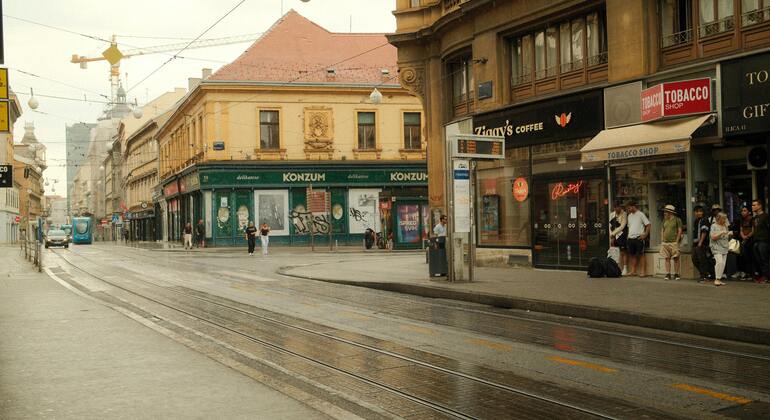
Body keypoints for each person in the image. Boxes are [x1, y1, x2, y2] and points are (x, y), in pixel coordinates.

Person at [625, 201, 650, 277]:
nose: (628, 209)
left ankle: (643, 271)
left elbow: (648, 224)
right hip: (631, 238)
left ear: (633, 206)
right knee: (632, 255)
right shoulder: (629, 216)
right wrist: (628, 236)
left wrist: (645, 234)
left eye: (629, 207)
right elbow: (630, 226)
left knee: (641, 254)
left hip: (638, 237)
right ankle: (633, 271)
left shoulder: (641, 214)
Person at [659, 205, 683, 280]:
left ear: (670, 212)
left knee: (676, 258)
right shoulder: (665, 220)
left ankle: (676, 274)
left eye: (665, 212)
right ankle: (668, 273)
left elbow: (679, 230)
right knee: (667, 258)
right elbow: (662, 230)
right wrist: (662, 239)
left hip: (673, 242)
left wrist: (676, 241)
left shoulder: (677, 220)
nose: (664, 213)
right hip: (665, 242)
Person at [710, 212, 731, 286]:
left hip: (724, 246)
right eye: (724, 218)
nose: (725, 220)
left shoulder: (725, 226)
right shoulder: (714, 226)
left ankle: (719, 278)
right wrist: (721, 232)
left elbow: (726, 235)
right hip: (716, 246)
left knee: (723, 264)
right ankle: (717, 279)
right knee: (719, 262)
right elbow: (713, 237)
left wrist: (728, 233)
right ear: (719, 219)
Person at [692, 205, 712, 282]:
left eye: (700, 211)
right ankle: (704, 274)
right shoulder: (696, 221)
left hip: (702, 244)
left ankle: (704, 276)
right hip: (695, 243)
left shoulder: (704, 220)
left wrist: (700, 243)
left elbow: (704, 232)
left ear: (703, 212)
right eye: (696, 211)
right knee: (695, 259)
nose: (698, 213)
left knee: (702, 260)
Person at [752, 199, 770, 284]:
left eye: (754, 205)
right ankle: (762, 275)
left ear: (760, 206)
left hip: (764, 241)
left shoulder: (766, 216)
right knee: (758, 259)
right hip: (756, 241)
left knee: (764, 259)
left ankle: (766, 277)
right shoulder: (755, 217)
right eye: (752, 205)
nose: (753, 207)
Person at [735, 205, 754, 280]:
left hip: (750, 240)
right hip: (744, 240)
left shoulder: (752, 219)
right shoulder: (742, 220)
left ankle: (751, 274)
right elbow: (741, 229)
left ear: (749, 212)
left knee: (750, 257)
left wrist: (747, 237)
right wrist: (743, 236)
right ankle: (745, 273)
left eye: (745, 210)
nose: (743, 212)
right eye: (742, 211)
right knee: (743, 256)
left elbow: (753, 230)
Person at [609, 202, 628, 275]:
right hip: (614, 236)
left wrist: (613, 233)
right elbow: (610, 226)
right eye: (615, 207)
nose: (617, 209)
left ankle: (625, 268)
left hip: (622, 235)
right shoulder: (612, 215)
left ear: (620, 207)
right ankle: (615, 268)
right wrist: (612, 236)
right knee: (615, 252)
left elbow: (622, 226)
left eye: (618, 207)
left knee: (623, 252)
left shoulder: (624, 214)